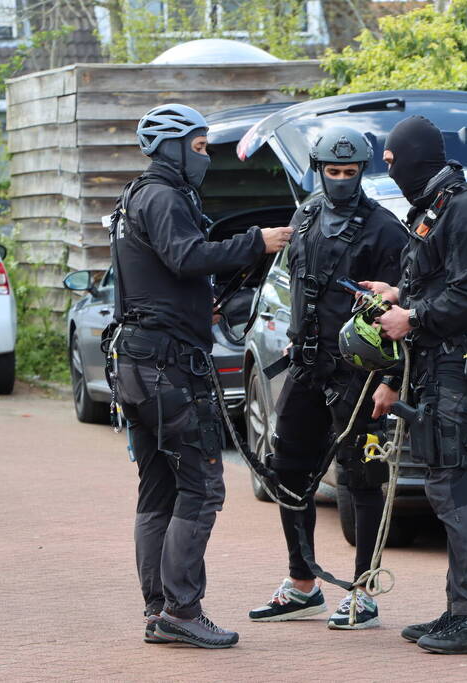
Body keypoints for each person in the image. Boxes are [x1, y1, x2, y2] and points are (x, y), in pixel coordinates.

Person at [109, 104, 292, 649]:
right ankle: (182, 610)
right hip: (166, 369)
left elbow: (157, 275)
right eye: (196, 145)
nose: (203, 155)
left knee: (158, 491)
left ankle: (159, 610)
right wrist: (257, 242)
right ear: (169, 146)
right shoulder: (163, 196)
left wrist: (197, 308)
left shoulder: (138, 197)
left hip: (140, 364)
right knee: (203, 487)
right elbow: (187, 256)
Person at [247, 126, 408, 630]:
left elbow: (403, 312)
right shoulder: (306, 216)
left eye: (350, 172)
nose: (341, 180)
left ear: (363, 171)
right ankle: (302, 585)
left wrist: (393, 378)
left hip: (359, 374)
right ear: (318, 170)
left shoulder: (385, 229)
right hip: (306, 367)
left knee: (360, 479)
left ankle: (363, 592)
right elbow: (297, 288)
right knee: (286, 472)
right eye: (333, 172)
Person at [362, 115, 467, 654]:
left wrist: (413, 319)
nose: (392, 173)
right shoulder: (434, 210)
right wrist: (399, 295)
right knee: (445, 486)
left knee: (454, 486)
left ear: (415, 159)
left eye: (394, 163)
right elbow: (441, 282)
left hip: (457, 367)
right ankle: (459, 609)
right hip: (433, 367)